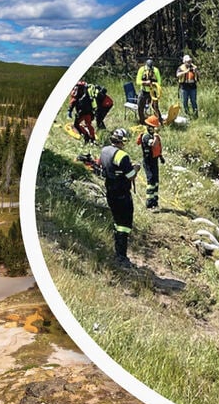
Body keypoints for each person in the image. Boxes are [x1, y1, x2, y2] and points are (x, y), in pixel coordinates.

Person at [99, 128, 141, 268]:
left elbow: (103, 165)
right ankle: (121, 256)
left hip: (110, 192)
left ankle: (117, 251)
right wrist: (136, 168)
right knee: (124, 225)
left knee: (117, 222)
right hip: (122, 195)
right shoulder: (122, 155)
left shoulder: (105, 150)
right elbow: (130, 176)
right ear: (123, 141)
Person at [137, 115, 164, 210]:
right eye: (153, 127)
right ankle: (149, 202)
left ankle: (155, 201)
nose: (154, 129)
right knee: (151, 180)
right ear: (148, 126)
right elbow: (154, 144)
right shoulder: (146, 136)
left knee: (156, 180)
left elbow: (157, 148)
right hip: (148, 161)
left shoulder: (153, 135)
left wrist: (161, 157)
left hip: (154, 160)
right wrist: (156, 135)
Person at [68, 80, 97, 144]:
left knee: (76, 125)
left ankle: (86, 136)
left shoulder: (76, 90)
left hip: (81, 112)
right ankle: (92, 139)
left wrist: (69, 110)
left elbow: (73, 101)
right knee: (89, 125)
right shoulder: (88, 92)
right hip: (89, 111)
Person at [135, 57, 162, 124]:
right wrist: (145, 82)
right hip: (143, 91)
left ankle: (159, 120)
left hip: (152, 91)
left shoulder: (156, 70)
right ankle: (142, 121)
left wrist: (153, 84)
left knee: (155, 107)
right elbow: (137, 81)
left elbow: (159, 82)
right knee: (140, 106)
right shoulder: (141, 69)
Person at [176, 53, 199, 118]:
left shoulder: (194, 67)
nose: (189, 62)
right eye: (187, 61)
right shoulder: (181, 68)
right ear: (184, 62)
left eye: (190, 61)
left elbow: (199, 75)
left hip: (193, 87)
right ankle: (187, 115)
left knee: (193, 101)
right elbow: (177, 75)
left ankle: (195, 115)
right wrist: (185, 72)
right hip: (184, 87)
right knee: (184, 102)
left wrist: (196, 71)